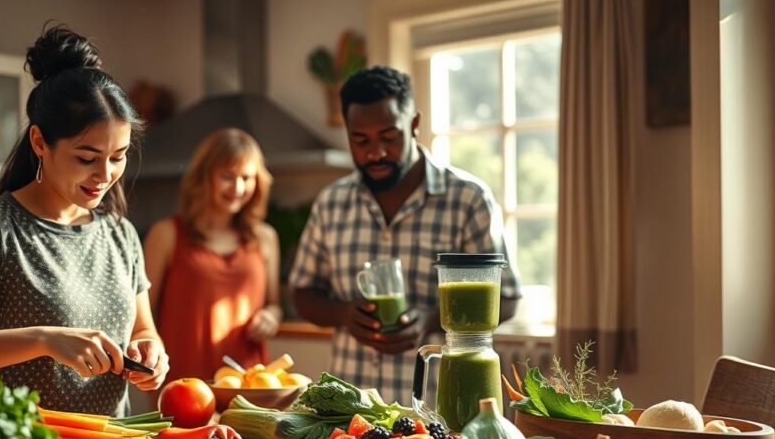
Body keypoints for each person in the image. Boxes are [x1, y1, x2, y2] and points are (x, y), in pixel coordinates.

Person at [0, 25, 168, 417]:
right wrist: (43, 339)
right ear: (40, 142)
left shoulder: (120, 233)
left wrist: (151, 352)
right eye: (86, 157)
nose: (106, 174)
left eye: (119, 155)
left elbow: (143, 330)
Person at [289, 66, 522, 404]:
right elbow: (302, 293)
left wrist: (432, 319)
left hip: (440, 406)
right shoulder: (331, 203)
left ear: (413, 125)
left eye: (389, 136)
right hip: (351, 409)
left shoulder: (468, 199)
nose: (376, 153)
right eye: (361, 140)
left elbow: (508, 298)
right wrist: (343, 315)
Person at [143, 128, 280, 382]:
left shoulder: (265, 238)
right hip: (184, 381)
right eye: (228, 176)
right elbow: (142, 314)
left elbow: (274, 304)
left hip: (250, 382)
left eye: (247, 178)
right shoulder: (166, 235)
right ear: (204, 177)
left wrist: (271, 317)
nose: (238, 187)